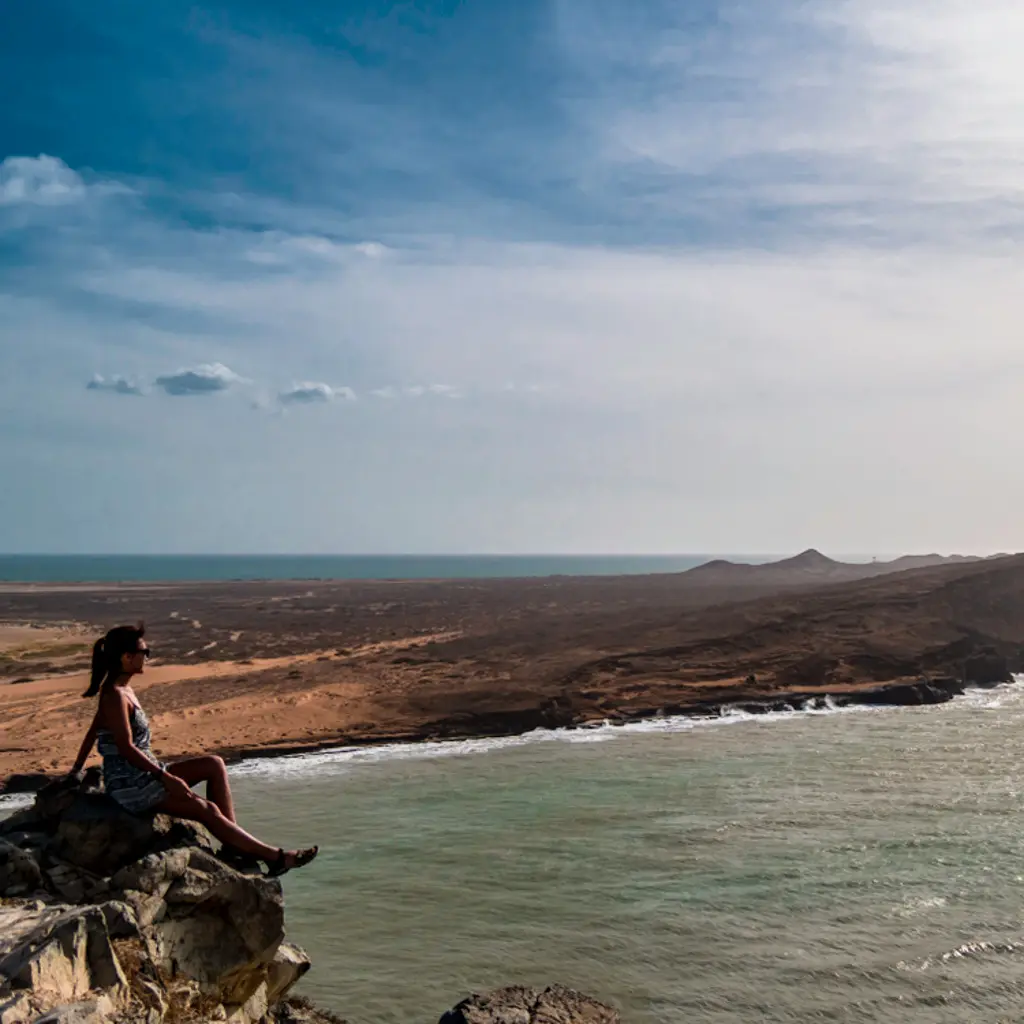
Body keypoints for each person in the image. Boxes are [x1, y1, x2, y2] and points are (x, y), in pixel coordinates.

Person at [68, 623, 317, 877]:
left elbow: (93, 730)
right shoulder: (114, 695)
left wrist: (76, 769)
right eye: (145, 652)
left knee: (214, 764)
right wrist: (166, 778)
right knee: (205, 809)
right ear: (126, 657)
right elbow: (126, 747)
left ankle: (234, 848)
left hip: (144, 773)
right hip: (129, 785)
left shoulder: (123, 690)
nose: (148, 657)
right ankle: (276, 857)